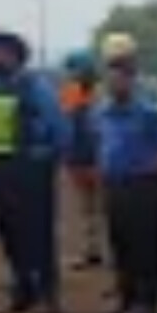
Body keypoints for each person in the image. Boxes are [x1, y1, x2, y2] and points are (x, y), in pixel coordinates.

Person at [0, 29, 65, 313]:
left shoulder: (35, 86)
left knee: (36, 234)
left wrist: (44, 156)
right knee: (10, 233)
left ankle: (47, 298)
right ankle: (22, 293)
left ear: (13, 55)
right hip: (0, 167)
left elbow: (58, 125)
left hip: (31, 169)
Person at [91, 40, 157, 313]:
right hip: (113, 182)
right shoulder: (102, 111)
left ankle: (146, 301)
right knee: (120, 242)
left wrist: (156, 172)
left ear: (131, 80)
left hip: (143, 183)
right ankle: (126, 298)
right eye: (110, 77)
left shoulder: (149, 112)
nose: (114, 83)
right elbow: (100, 143)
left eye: (120, 77)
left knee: (145, 243)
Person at [59, 49, 104, 270]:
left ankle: (103, 250)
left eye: (74, 70)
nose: (72, 74)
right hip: (77, 157)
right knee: (86, 207)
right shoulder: (70, 93)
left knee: (103, 206)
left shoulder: (100, 94)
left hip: (98, 157)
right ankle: (92, 249)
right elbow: (65, 124)